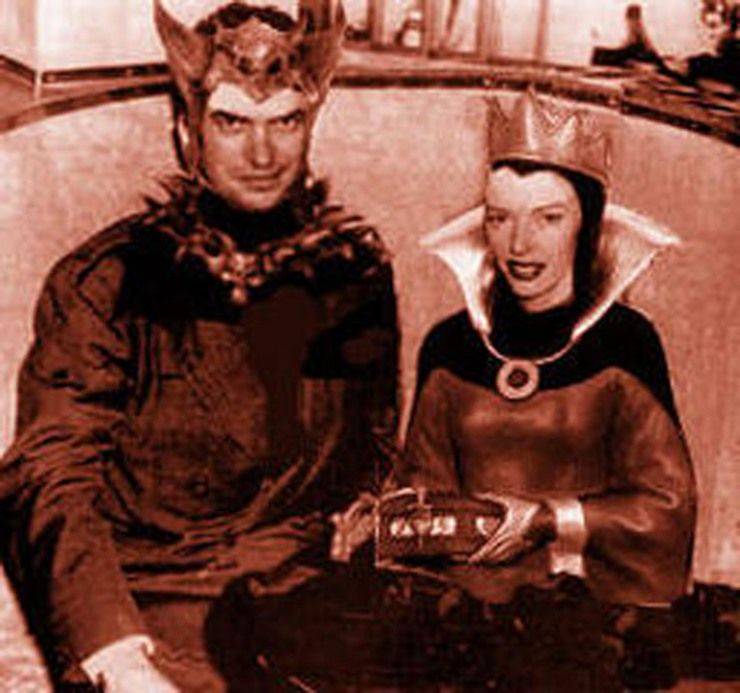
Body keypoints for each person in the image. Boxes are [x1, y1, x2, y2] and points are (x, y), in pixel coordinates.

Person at [0, 1, 398, 691]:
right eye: (232, 122)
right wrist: (115, 653)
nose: (263, 154)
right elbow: (48, 477)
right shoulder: (106, 282)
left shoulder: (357, 276)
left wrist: (368, 519)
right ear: (187, 131)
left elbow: (375, 449)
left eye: (285, 122)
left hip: (310, 609)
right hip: (154, 613)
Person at [382, 88, 696, 689]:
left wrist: (551, 519)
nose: (519, 244)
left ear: (587, 225)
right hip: (462, 629)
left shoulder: (626, 345)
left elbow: (666, 509)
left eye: (548, 218)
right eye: (500, 218)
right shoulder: (449, 345)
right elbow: (423, 488)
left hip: (584, 626)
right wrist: (385, 522)